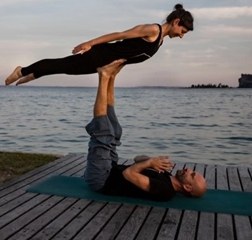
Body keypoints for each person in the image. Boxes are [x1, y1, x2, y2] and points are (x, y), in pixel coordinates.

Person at [84, 59, 207, 201]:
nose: (188, 170)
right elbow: (137, 160)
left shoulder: (165, 191)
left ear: (187, 188)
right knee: (116, 131)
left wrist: (149, 164)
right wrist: (152, 161)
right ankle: (111, 77)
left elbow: (129, 174)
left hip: (101, 180)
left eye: (191, 175)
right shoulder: (167, 177)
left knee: (104, 132)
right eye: (193, 171)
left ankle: (103, 76)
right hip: (111, 168)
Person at [5, 4, 193, 86]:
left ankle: (33, 74)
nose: (182, 36)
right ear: (176, 22)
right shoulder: (152, 30)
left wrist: (116, 70)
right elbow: (119, 35)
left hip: (106, 63)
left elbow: (129, 54)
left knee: (64, 68)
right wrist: (90, 43)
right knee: (61, 65)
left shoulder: (160, 41)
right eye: (183, 31)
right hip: (100, 55)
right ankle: (22, 71)